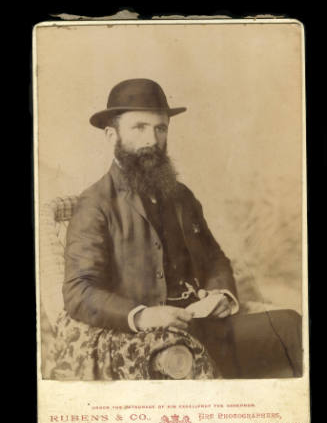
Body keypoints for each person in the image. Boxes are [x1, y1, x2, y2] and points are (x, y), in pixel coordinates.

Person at [53, 78, 302, 381]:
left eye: (161, 128)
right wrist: (143, 315)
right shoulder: (95, 203)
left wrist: (221, 293)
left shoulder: (181, 195)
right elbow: (79, 291)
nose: (152, 139)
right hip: (152, 339)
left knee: (292, 326)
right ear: (111, 134)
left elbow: (215, 258)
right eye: (139, 127)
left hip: (206, 326)